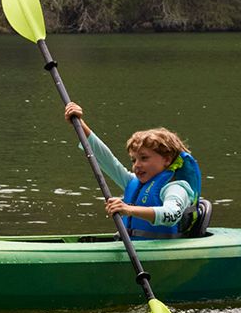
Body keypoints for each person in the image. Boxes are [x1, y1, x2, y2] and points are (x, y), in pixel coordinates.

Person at [62, 101, 207, 238]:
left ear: (167, 159)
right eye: (134, 160)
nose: (137, 164)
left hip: (160, 254)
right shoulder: (132, 182)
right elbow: (107, 160)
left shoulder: (176, 187)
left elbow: (171, 215)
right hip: (133, 249)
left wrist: (129, 209)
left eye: (144, 158)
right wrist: (80, 124)